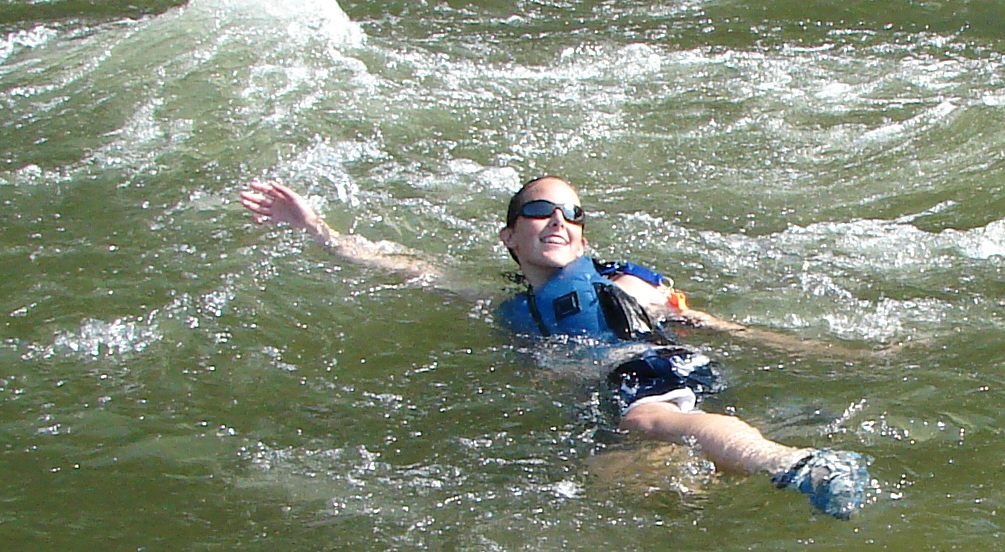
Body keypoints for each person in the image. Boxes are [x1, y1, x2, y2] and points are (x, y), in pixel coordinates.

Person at [239, 173, 877, 517]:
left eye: (572, 215)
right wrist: (316, 230)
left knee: (648, 419)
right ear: (509, 237)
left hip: (642, 370)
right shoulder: (512, 304)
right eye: (542, 209)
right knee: (619, 485)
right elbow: (404, 266)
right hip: (608, 392)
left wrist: (833, 353)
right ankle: (755, 455)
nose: (559, 222)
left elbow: (717, 327)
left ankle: (795, 463)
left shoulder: (622, 284)